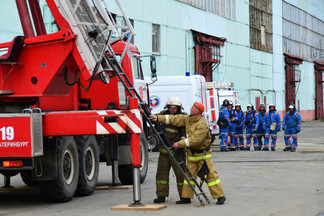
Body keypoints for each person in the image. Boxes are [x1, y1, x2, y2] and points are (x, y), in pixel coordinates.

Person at [150, 102, 226, 205]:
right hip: (192, 156)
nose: (190, 109)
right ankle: (186, 197)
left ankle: (220, 196)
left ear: (197, 111)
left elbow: (195, 140)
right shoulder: (188, 118)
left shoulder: (202, 124)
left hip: (202, 156)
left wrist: (179, 144)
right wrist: (158, 118)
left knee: (211, 176)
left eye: (192, 107)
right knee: (188, 178)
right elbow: (175, 119)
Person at [153, 96, 186, 203]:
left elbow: (185, 134)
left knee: (181, 175)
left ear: (179, 108)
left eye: (174, 108)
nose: (172, 109)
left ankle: (184, 196)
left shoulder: (182, 118)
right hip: (164, 152)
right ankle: (161, 195)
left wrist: (179, 145)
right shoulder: (162, 115)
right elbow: (155, 118)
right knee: (161, 174)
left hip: (177, 152)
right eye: (170, 107)